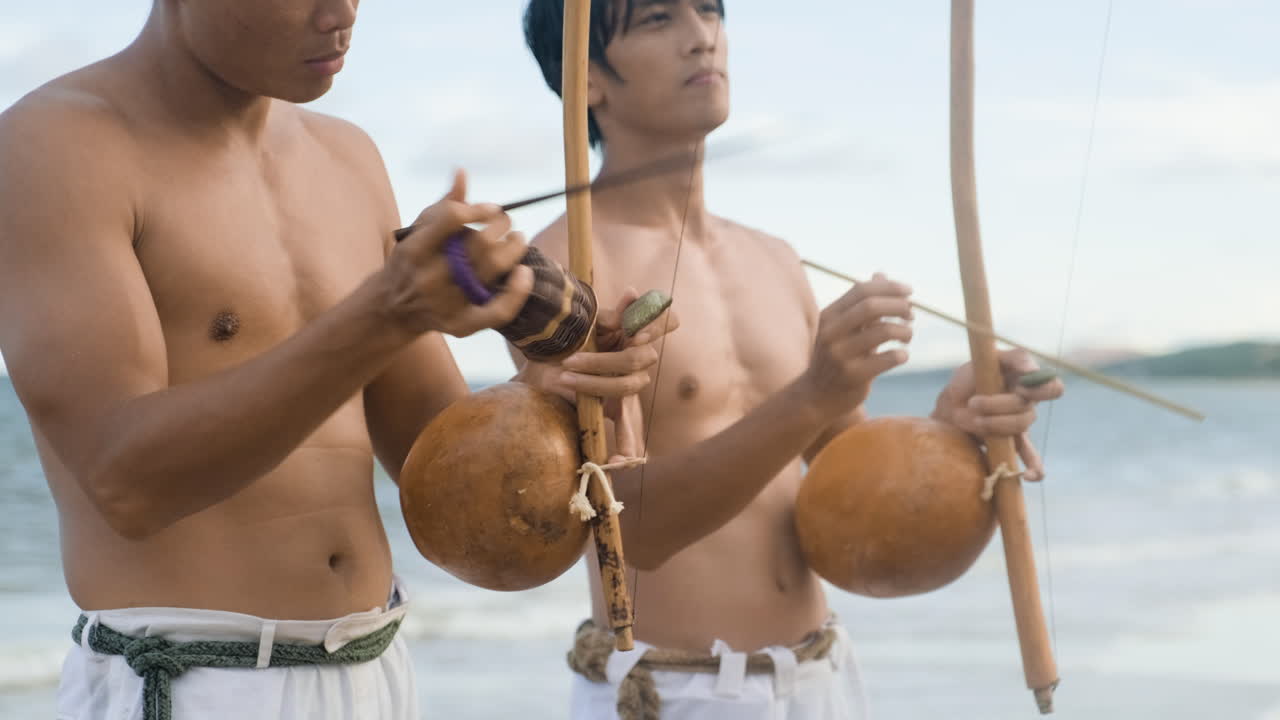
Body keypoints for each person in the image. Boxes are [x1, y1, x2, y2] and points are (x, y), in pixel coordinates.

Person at [0, 1, 670, 718]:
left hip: (371, 667)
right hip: (194, 678)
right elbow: (125, 482)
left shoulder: (348, 158)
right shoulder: (53, 146)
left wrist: (559, 388)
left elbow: (442, 468)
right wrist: (385, 311)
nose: (342, 13)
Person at [518, 1, 1066, 718]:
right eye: (659, 19)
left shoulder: (772, 260)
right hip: (671, 691)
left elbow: (847, 489)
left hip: (822, 674)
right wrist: (813, 392)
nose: (702, 36)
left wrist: (953, 433)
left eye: (710, 10)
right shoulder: (565, 271)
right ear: (587, 80)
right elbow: (631, 533)